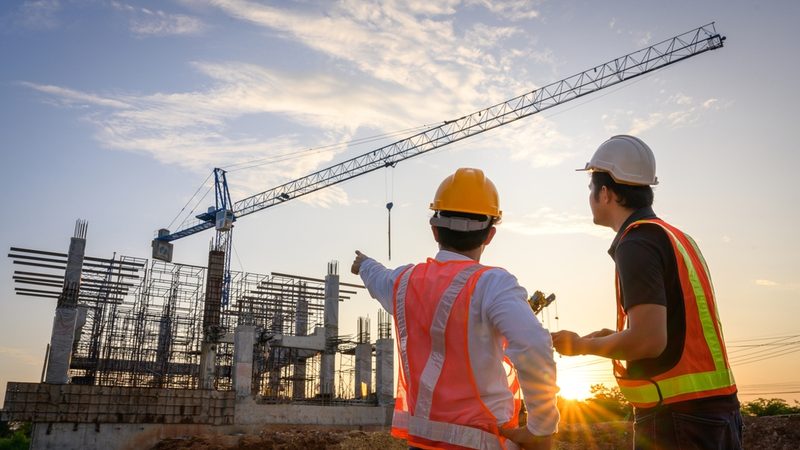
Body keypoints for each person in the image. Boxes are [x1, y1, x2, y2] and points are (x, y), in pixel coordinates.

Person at [551, 135, 742, 449]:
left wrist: (583, 346)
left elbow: (649, 341)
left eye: (590, 189)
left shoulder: (637, 243)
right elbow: (677, 331)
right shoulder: (676, 238)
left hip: (678, 418)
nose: (589, 197)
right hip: (715, 413)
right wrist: (609, 337)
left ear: (605, 192)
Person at [351, 168, 559, 450]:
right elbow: (533, 344)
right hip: (481, 442)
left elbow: (378, 277)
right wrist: (541, 427)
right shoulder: (492, 284)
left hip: (422, 443)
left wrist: (363, 264)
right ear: (490, 235)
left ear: (434, 229)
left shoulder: (404, 283)